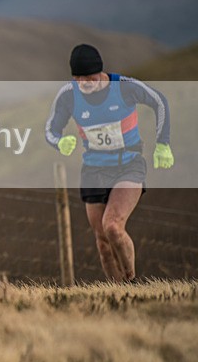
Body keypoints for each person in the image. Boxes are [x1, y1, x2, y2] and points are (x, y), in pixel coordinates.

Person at [45, 44, 173, 283]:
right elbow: (50, 130)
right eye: (78, 78)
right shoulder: (68, 95)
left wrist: (163, 143)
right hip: (94, 169)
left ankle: (132, 282)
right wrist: (60, 142)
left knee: (112, 226)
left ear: (101, 71)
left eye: (90, 77)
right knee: (102, 242)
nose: (85, 82)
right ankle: (118, 294)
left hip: (128, 164)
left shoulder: (124, 87)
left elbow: (160, 101)